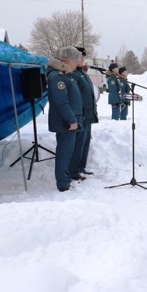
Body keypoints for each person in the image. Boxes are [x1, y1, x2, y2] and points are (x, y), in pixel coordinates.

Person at [46, 47, 84, 192]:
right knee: (64, 152)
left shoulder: (66, 75)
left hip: (69, 121)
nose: (77, 63)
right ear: (68, 60)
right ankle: (62, 183)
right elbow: (61, 102)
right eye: (76, 60)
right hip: (65, 123)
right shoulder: (58, 76)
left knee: (67, 151)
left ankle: (65, 179)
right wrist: (71, 121)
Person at [71, 47, 98, 176]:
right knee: (78, 144)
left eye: (83, 57)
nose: (83, 59)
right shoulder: (74, 74)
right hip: (81, 114)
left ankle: (81, 167)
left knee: (85, 142)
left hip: (87, 114)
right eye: (81, 57)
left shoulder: (82, 73)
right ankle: (74, 170)